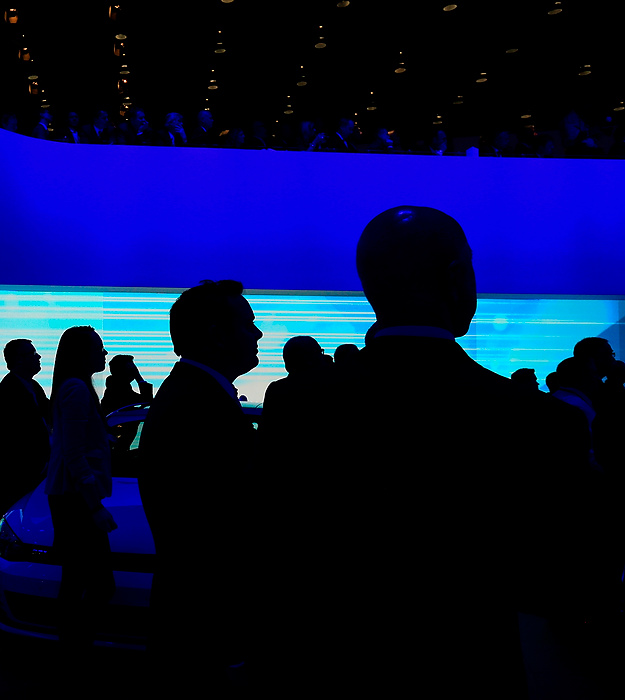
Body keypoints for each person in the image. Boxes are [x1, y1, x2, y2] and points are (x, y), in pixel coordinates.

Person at [261, 206, 602, 697]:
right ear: (456, 277)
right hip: (472, 676)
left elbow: (278, 549)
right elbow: (562, 580)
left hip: (330, 675)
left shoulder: (296, 403)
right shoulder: (542, 419)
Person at [138, 280, 262, 685]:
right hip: (204, 617)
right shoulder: (200, 404)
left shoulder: (192, 393)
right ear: (216, 334)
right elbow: (225, 521)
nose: (258, 334)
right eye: (248, 324)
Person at [45, 326, 116, 648]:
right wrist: (94, 505)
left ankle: (71, 647)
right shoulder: (76, 389)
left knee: (76, 578)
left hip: (70, 497)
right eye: (99, 347)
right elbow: (74, 454)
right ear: (81, 353)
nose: (104, 353)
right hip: (76, 500)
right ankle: (76, 647)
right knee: (97, 583)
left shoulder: (73, 387)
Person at [0, 339, 51, 535]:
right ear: (19, 360)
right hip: (12, 476)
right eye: (32, 353)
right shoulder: (8, 392)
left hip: (22, 474)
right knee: (9, 532)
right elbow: (14, 441)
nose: (38, 357)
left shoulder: (31, 386)